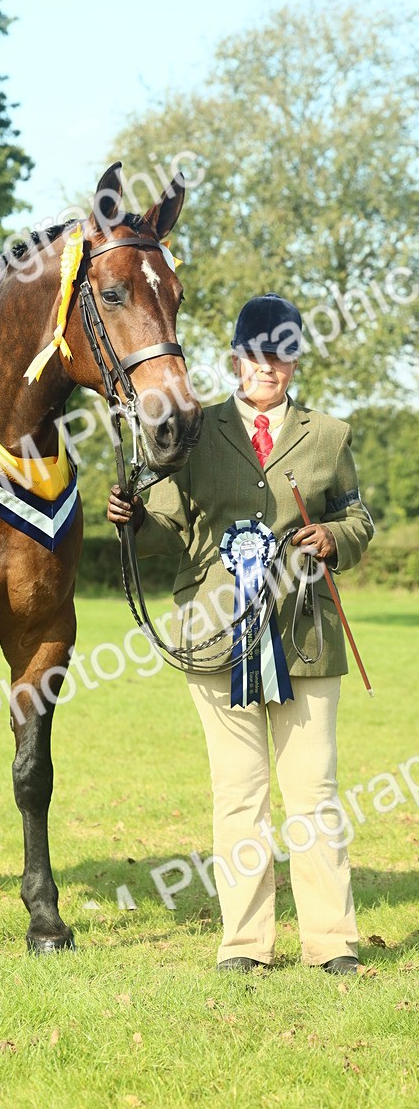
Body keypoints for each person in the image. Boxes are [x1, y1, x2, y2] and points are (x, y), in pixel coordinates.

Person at [108, 294, 374, 974]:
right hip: (216, 636)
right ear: (235, 359)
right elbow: (163, 507)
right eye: (257, 355)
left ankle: (331, 942)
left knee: (312, 791)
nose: (269, 368)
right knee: (240, 794)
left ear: (293, 362)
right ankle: (247, 945)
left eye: (281, 355)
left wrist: (333, 535)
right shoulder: (197, 430)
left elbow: (356, 515)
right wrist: (129, 510)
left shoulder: (330, 435)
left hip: (305, 637)